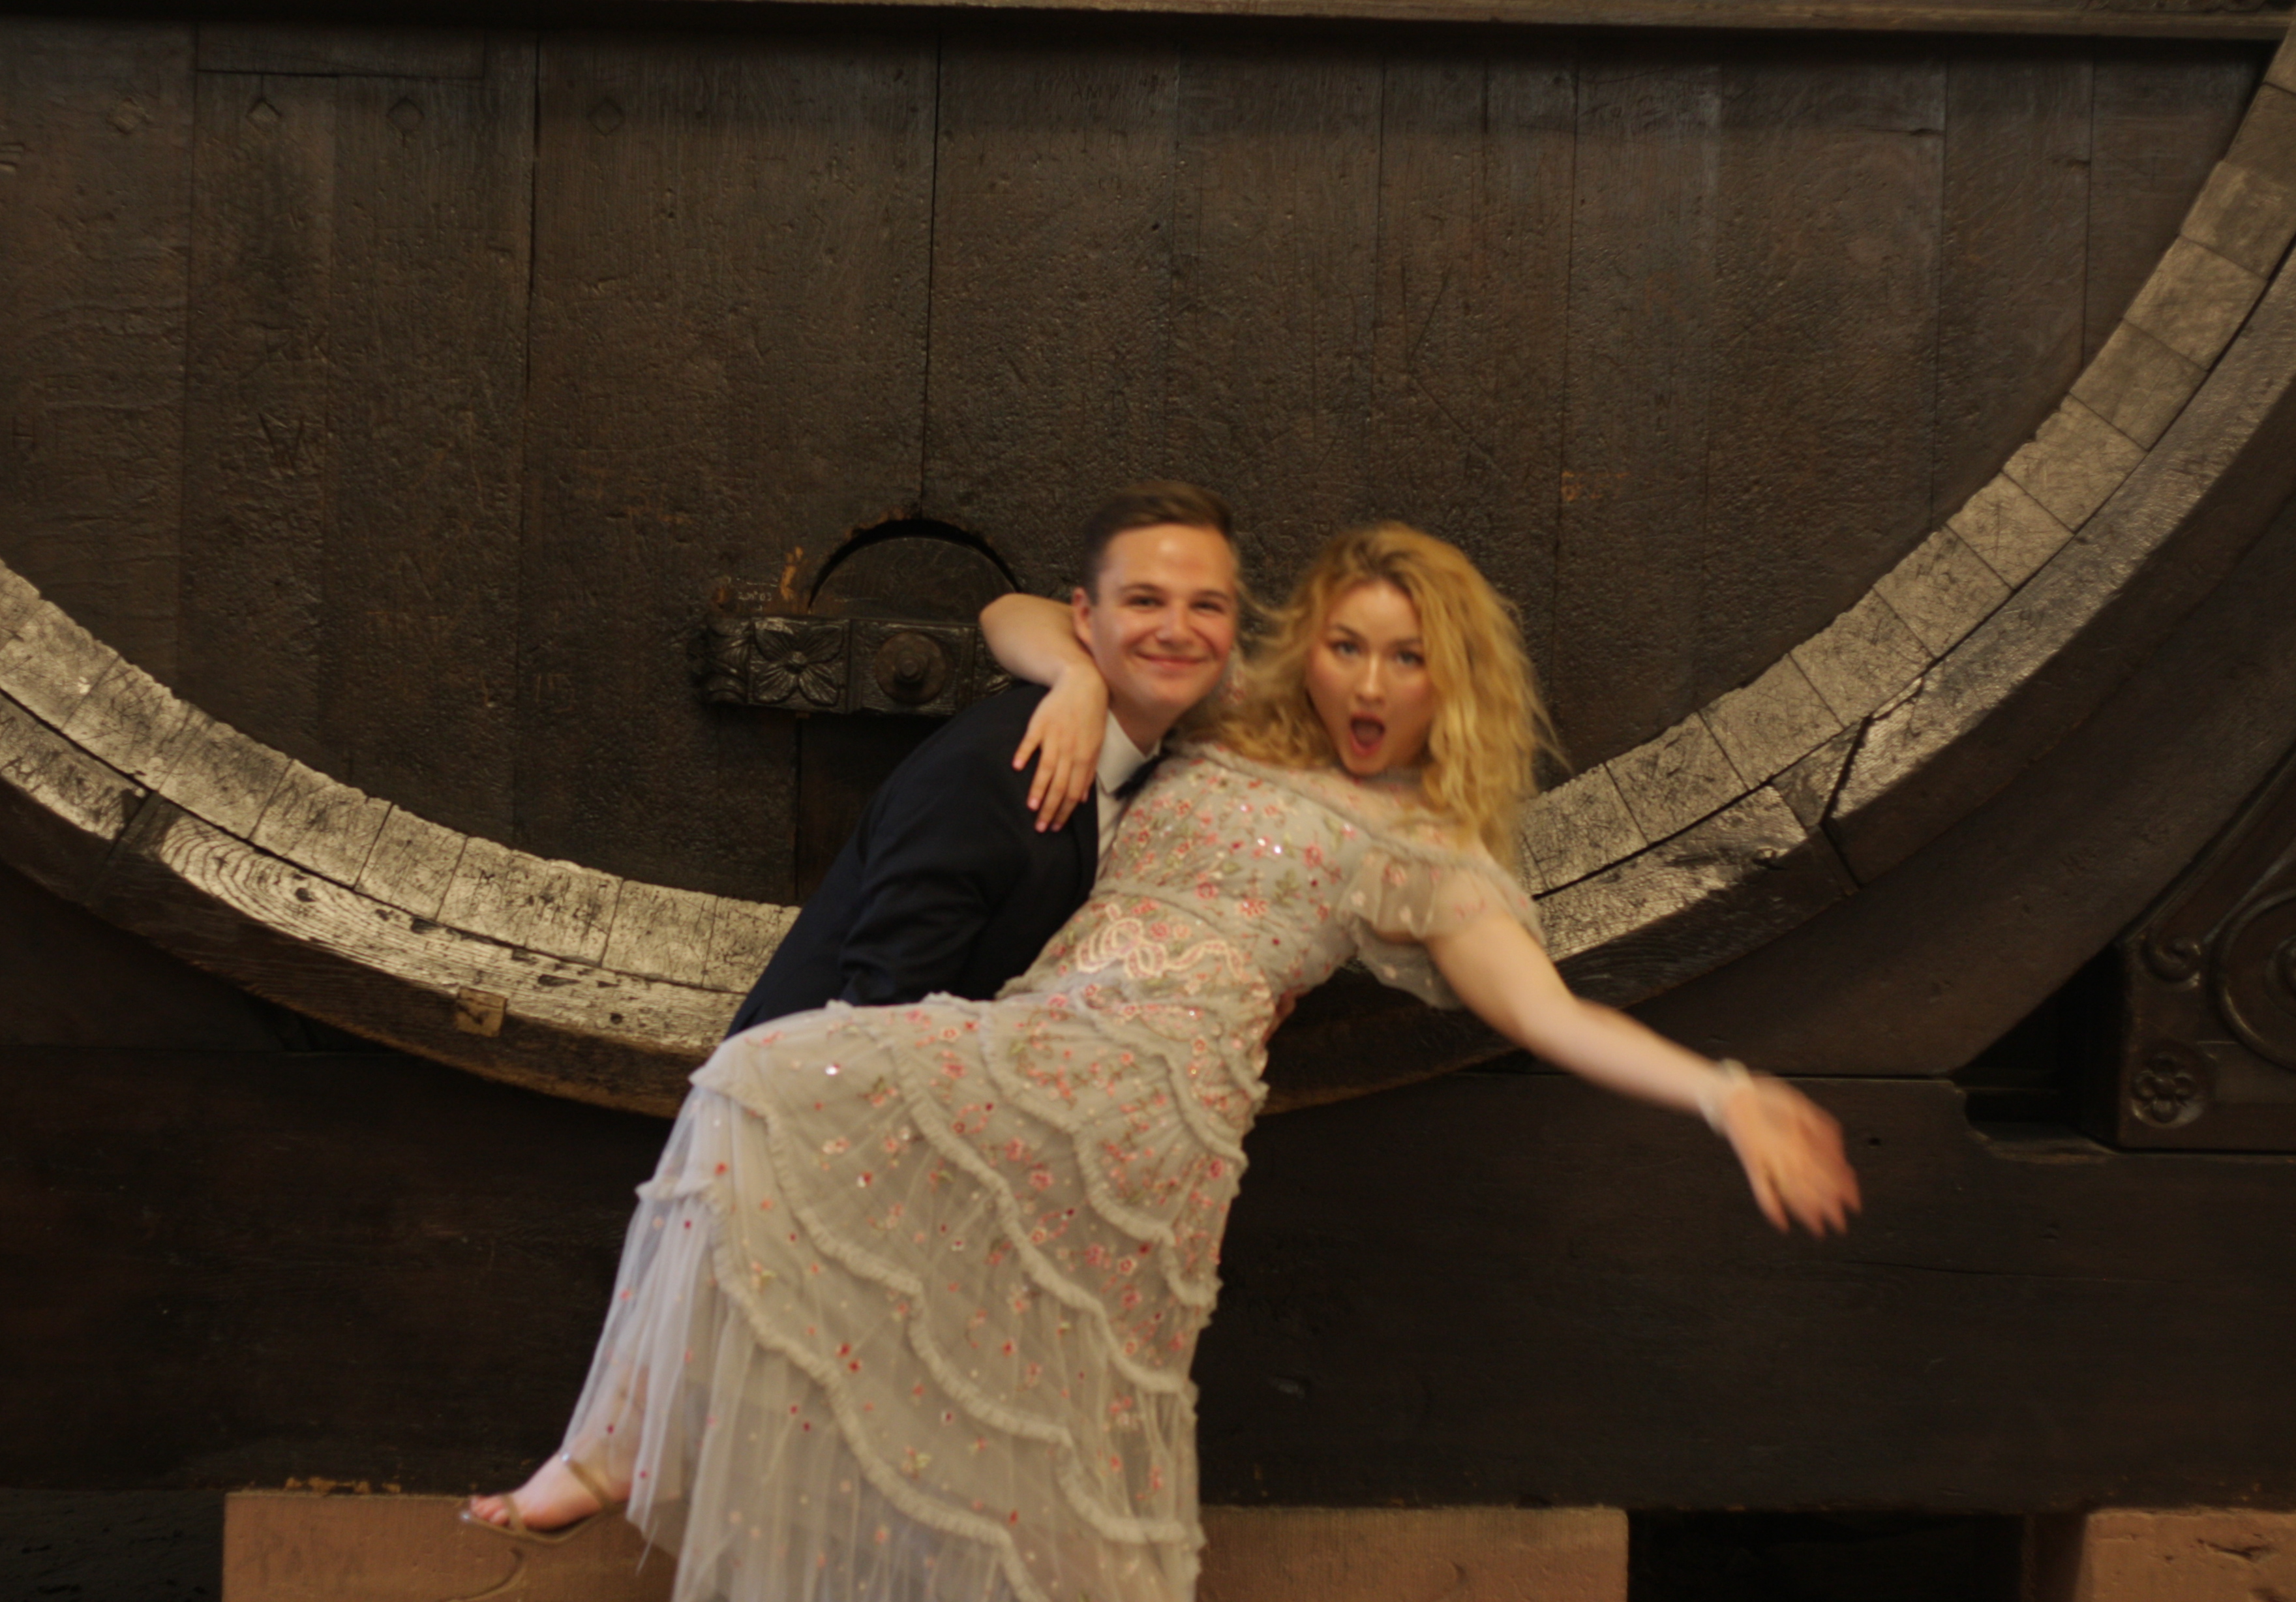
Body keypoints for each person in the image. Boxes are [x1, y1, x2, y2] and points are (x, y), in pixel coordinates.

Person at [466, 524, 1860, 1602]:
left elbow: (1548, 1015)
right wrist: (1079, 678)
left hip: (1150, 1092)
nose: (1370, 683)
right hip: (1040, 1030)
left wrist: (1723, 1093)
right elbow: (1009, 617)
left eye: (1407, 658)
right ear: (1310, 649)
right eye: (1349, 646)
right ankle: (625, 1445)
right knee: (803, 1141)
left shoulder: (1430, 856)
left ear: (1457, 682)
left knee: (776, 1095)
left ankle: (617, 1446)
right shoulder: (1235, 715)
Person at [724, 481, 1243, 1035]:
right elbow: (880, 1013)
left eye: (1206, 605)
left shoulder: (1183, 753)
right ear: (1085, 618)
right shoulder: (989, 775)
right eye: (1145, 601)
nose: (1176, 630)